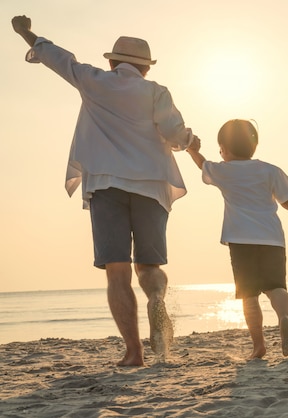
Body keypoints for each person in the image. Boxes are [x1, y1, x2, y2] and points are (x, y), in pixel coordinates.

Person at [12, 15, 197, 366]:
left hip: (107, 184)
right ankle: (156, 300)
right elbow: (174, 133)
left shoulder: (93, 80)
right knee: (149, 264)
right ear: (145, 68)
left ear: (111, 62)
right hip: (151, 186)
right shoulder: (157, 91)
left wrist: (26, 32)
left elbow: (57, 57)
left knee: (117, 269)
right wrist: (190, 141)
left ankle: (134, 353)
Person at [186, 119, 288, 359]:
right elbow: (287, 202)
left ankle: (259, 346)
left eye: (220, 148)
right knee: (276, 287)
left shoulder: (223, 171)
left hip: (240, 240)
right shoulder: (269, 170)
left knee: (249, 295)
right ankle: (284, 318)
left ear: (224, 148)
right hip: (272, 239)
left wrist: (193, 149)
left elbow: (202, 165)